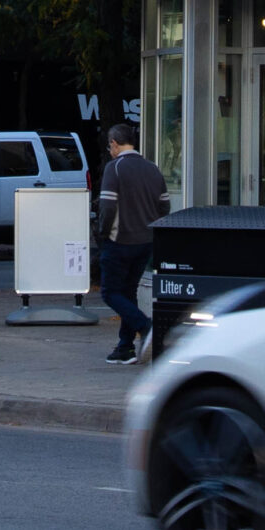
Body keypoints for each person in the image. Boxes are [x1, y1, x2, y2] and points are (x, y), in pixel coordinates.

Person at [96, 119, 167, 365]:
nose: (110, 151)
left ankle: (146, 326)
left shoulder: (114, 168)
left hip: (120, 240)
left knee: (110, 292)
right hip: (146, 241)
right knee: (128, 292)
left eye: (109, 146)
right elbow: (164, 205)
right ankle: (125, 347)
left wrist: (103, 234)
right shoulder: (152, 168)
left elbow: (107, 206)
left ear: (114, 144)